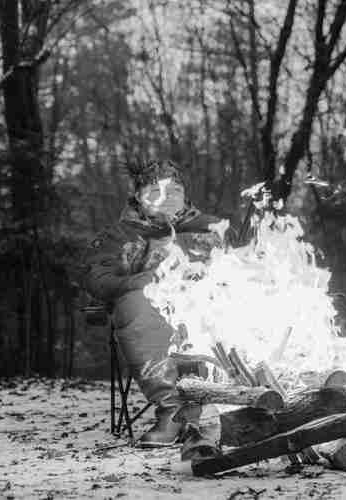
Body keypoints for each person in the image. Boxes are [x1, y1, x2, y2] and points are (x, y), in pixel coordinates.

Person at [82, 159, 226, 447]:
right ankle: (173, 410)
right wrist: (140, 282)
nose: (166, 197)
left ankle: (240, 401)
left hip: (214, 311)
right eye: (154, 191)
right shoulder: (118, 236)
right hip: (152, 317)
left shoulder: (212, 228)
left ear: (185, 193)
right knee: (135, 302)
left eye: (173, 190)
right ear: (137, 196)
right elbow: (97, 280)